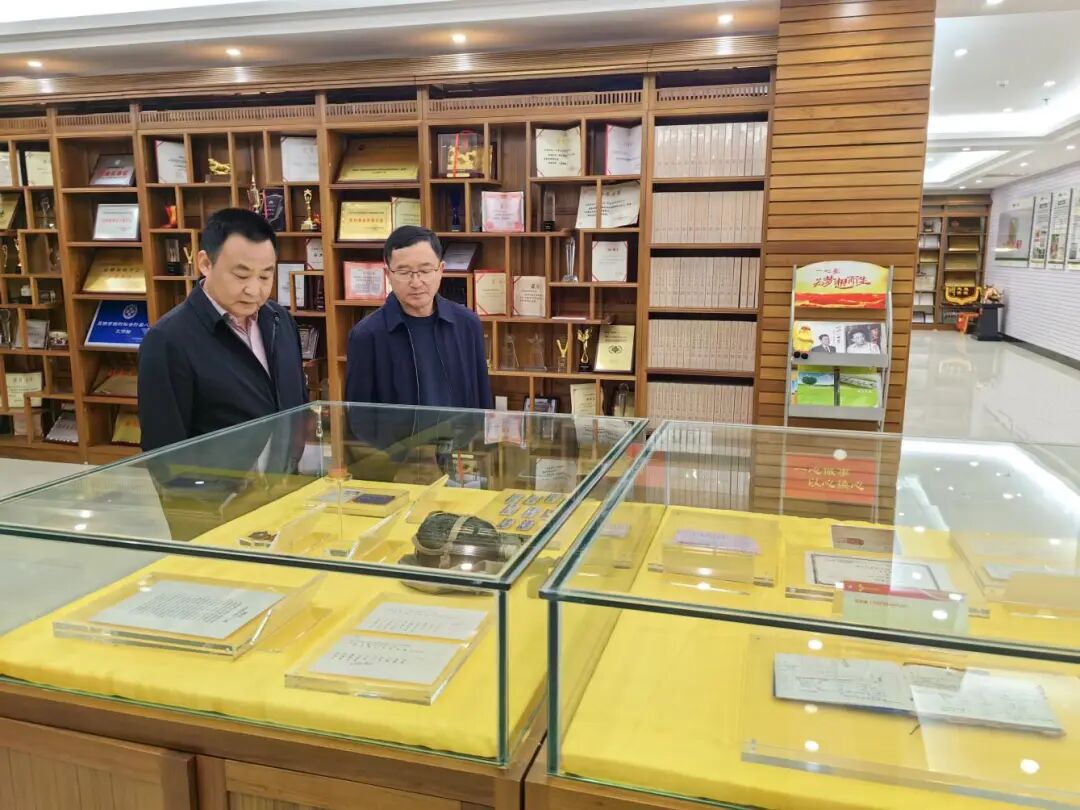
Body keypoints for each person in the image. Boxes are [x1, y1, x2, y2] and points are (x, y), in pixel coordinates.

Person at [137, 208, 307, 451]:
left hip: (285, 472)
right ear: (205, 263)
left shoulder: (280, 320)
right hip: (218, 476)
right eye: (241, 275)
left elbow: (298, 406)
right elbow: (162, 450)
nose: (254, 290)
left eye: (264, 277)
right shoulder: (167, 340)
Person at [345, 225, 492, 409]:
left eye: (425, 270)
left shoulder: (467, 324)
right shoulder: (366, 336)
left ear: (441, 270)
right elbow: (358, 415)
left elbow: (482, 399)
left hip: (459, 429)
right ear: (388, 274)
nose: (416, 282)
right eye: (404, 272)